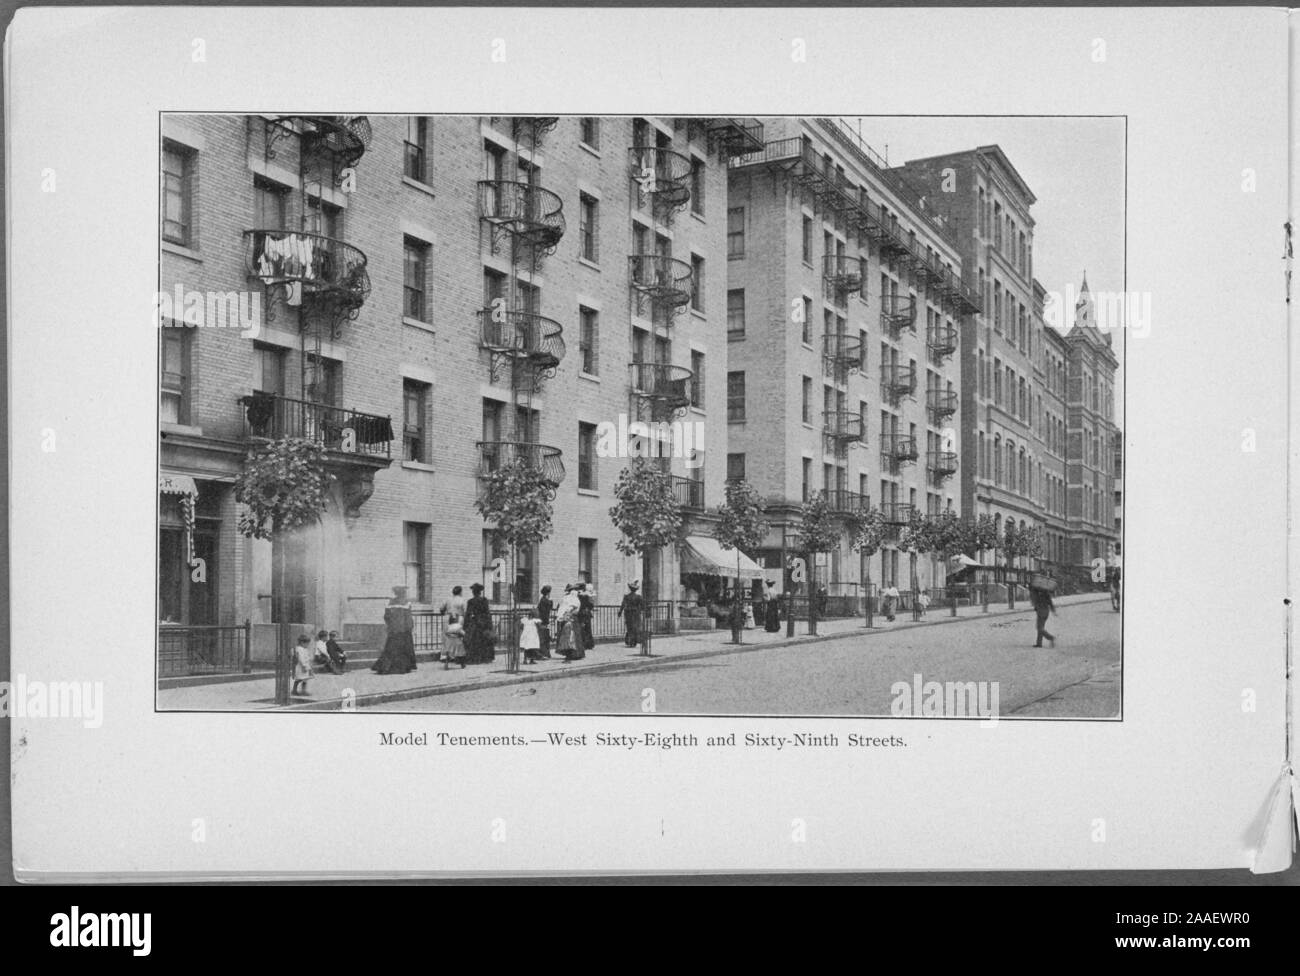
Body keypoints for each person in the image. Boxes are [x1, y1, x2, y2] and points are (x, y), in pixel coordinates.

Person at [372, 585, 417, 674]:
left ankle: (386, 667)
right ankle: (403, 667)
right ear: (403, 593)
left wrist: (390, 625)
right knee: (403, 648)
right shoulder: (406, 603)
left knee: (390, 648)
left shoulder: (390, 603)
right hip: (403, 630)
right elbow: (408, 617)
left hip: (393, 630)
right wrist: (410, 627)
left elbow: (386, 616)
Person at [463, 583, 495, 664]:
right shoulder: (484, 600)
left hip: (475, 622)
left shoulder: (471, 601)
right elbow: (487, 613)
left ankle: (475, 658)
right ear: (480, 592)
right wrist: (489, 624)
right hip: (484, 622)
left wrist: (465, 625)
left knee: (474, 640)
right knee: (485, 639)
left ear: (473, 592)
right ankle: (486, 658)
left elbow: (468, 614)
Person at [439, 586, 467, 670]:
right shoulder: (462, 600)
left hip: (448, 619)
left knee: (448, 639)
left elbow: (441, 609)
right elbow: (465, 611)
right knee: (458, 639)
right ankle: (461, 661)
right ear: (460, 592)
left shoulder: (447, 599)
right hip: (459, 619)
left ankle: (447, 659)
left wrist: (446, 613)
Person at [556, 584, 583, 661]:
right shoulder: (570, 599)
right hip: (571, 617)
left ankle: (574, 653)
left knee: (571, 637)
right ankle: (575, 653)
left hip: (571, 617)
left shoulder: (573, 599)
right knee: (572, 636)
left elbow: (571, 608)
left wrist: (566, 613)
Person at [1030, 579, 1057, 648]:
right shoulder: (1046, 593)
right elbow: (1050, 603)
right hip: (1046, 611)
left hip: (1041, 611)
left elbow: (1035, 601)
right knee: (1041, 627)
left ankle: (1051, 638)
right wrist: (1053, 611)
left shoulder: (1037, 594)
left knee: (1039, 628)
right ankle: (1039, 643)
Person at [618, 581, 645, 648]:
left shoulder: (626, 596)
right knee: (635, 627)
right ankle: (634, 641)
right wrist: (641, 610)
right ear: (636, 590)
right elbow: (643, 606)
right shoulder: (638, 597)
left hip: (628, 613)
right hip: (636, 614)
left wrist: (620, 612)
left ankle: (630, 641)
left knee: (629, 627)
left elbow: (623, 604)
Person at [536, 585, 554, 659]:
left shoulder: (544, 600)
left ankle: (546, 653)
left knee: (545, 638)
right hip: (543, 622)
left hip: (544, 621)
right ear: (548, 593)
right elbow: (544, 612)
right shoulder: (544, 600)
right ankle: (543, 653)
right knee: (544, 638)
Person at [577, 582, 595, 653]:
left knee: (582, 629)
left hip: (581, 613)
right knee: (588, 629)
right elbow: (591, 604)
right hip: (586, 613)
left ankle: (584, 644)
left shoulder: (578, 595)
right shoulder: (587, 595)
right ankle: (589, 644)